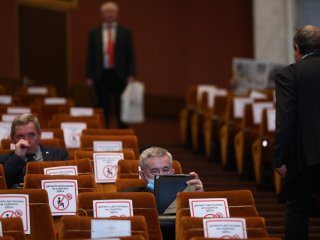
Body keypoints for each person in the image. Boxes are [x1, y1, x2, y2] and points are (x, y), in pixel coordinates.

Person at [274, 25, 320, 240]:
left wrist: (280, 159)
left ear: (296, 48)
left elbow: (286, 121)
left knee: (298, 210)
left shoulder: (289, 75)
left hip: (303, 158)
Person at [86, 1, 136, 128]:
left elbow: (130, 54)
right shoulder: (94, 33)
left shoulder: (125, 32)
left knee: (122, 107)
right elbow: (90, 56)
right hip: (100, 75)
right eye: (107, 12)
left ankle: (124, 134)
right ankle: (103, 132)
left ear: (117, 14)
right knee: (103, 107)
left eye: (112, 12)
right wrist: (89, 76)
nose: (110, 14)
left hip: (120, 75)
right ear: (102, 14)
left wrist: (131, 73)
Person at [0, 113, 69, 188]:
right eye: (20, 136)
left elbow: (67, 184)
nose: (26, 141)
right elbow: (3, 183)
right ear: (12, 139)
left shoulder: (59, 155)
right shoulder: (3, 161)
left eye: (31, 135)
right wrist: (17, 157)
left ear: (39, 134)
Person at [123, 146, 204, 192]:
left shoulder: (185, 193)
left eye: (165, 170)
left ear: (172, 172)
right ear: (142, 175)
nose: (161, 175)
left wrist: (199, 197)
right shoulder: (129, 196)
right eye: (154, 171)